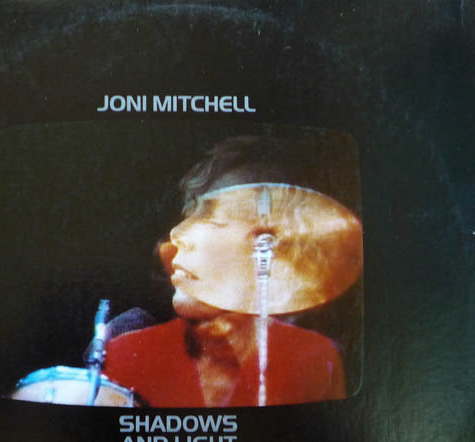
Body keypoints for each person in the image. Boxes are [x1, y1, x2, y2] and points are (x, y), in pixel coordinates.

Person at [102, 135, 363, 408]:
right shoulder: (125, 354)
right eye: (189, 215)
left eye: (212, 218)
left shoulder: (315, 361)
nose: (177, 233)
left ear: (270, 246)